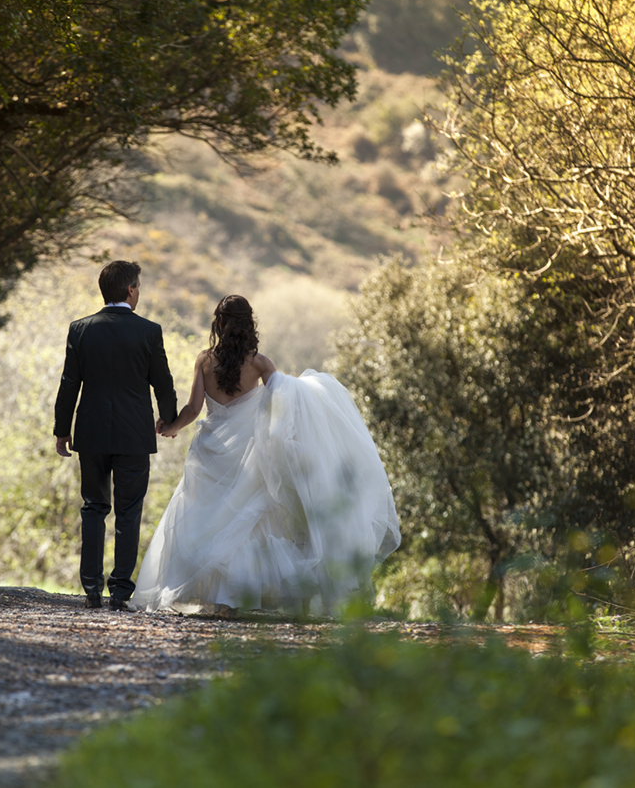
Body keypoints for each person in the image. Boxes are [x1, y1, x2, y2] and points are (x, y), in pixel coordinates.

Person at [133, 295, 400, 614]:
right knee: (252, 520)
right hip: (250, 453)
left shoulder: (204, 360)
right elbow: (286, 401)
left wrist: (171, 426)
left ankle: (219, 597)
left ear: (219, 323)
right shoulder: (259, 362)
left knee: (208, 516)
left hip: (212, 451)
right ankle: (249, 596)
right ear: (248, 325)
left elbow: (192, 408)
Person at [53, 261, 178, 611]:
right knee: (128, 511)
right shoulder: (149, 331)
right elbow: (163, 383)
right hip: (134, 434)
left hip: (90, 431)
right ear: (130, 290)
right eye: (139, 286)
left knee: (93, 507)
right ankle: (120, 591)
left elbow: (69, 385)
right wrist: (168, 420)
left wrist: (62, 430)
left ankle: (91, 588)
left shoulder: (80, 329)